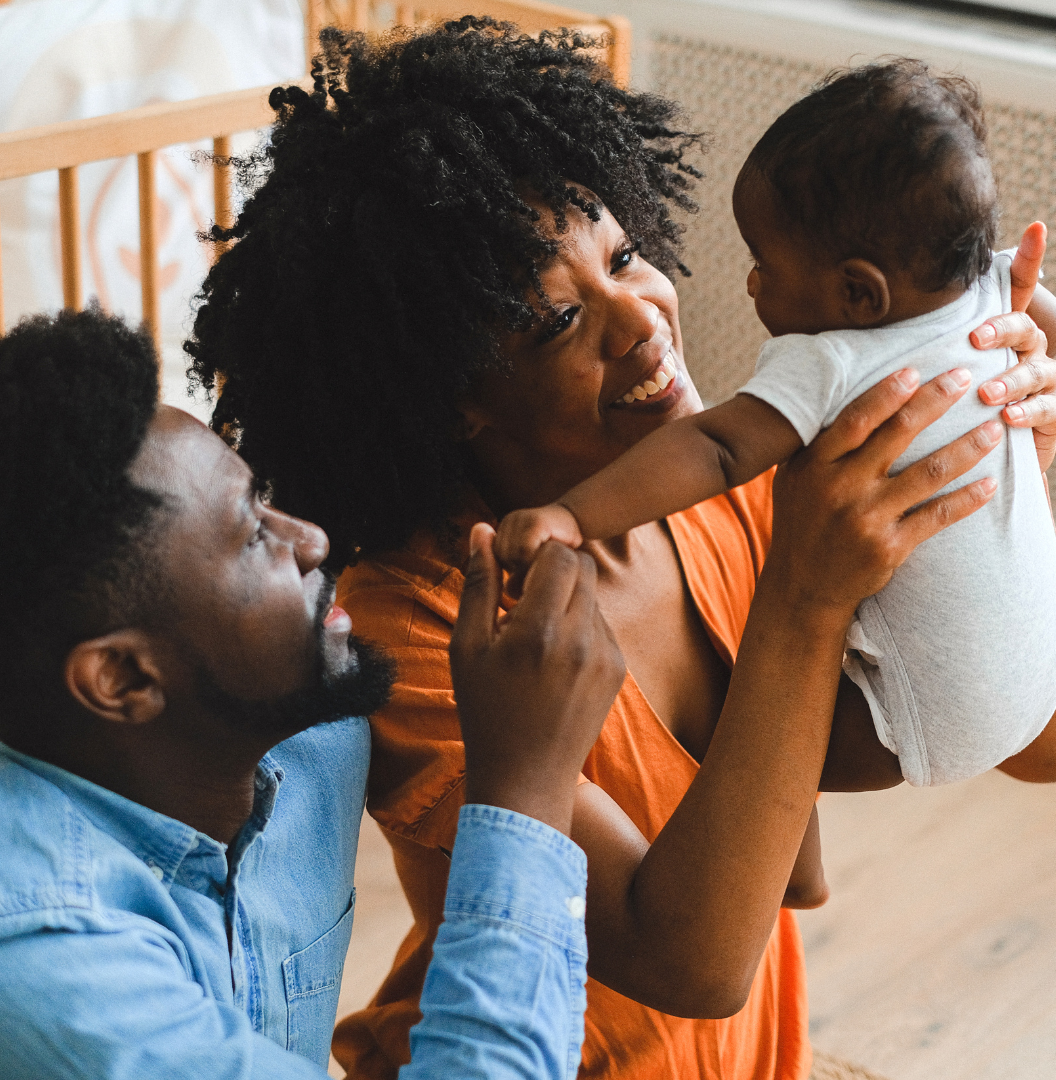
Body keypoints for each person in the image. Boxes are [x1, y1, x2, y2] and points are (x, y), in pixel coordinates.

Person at [184, 21, 1056, 1079]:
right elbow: (694, 963)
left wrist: (1000, 474)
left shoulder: (721, 490)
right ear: (453, 396)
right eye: (559, 322)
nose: (644, 319)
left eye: (625, 258)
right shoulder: (418, 627)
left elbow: (1049, 744)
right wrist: (801, 597)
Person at [0, 305, 628, 1080]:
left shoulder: (313, 744)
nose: (311, 540)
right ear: (123, 679)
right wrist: (525, 785)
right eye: (252, 535)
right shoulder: (44, 957)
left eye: (265, 497)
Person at [494, 60, 1056, 789]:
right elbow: (1048, 320)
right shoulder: (985, 288)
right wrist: (1021, 346)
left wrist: (568, 518)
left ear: (859, 293)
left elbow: (716, 446)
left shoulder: (833, 360)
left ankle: (775, 839)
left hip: (934, 712)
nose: (752, 282)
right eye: (563, 318)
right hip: (1043, 656)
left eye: (765, 264)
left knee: (757, 742)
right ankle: (802, 866)